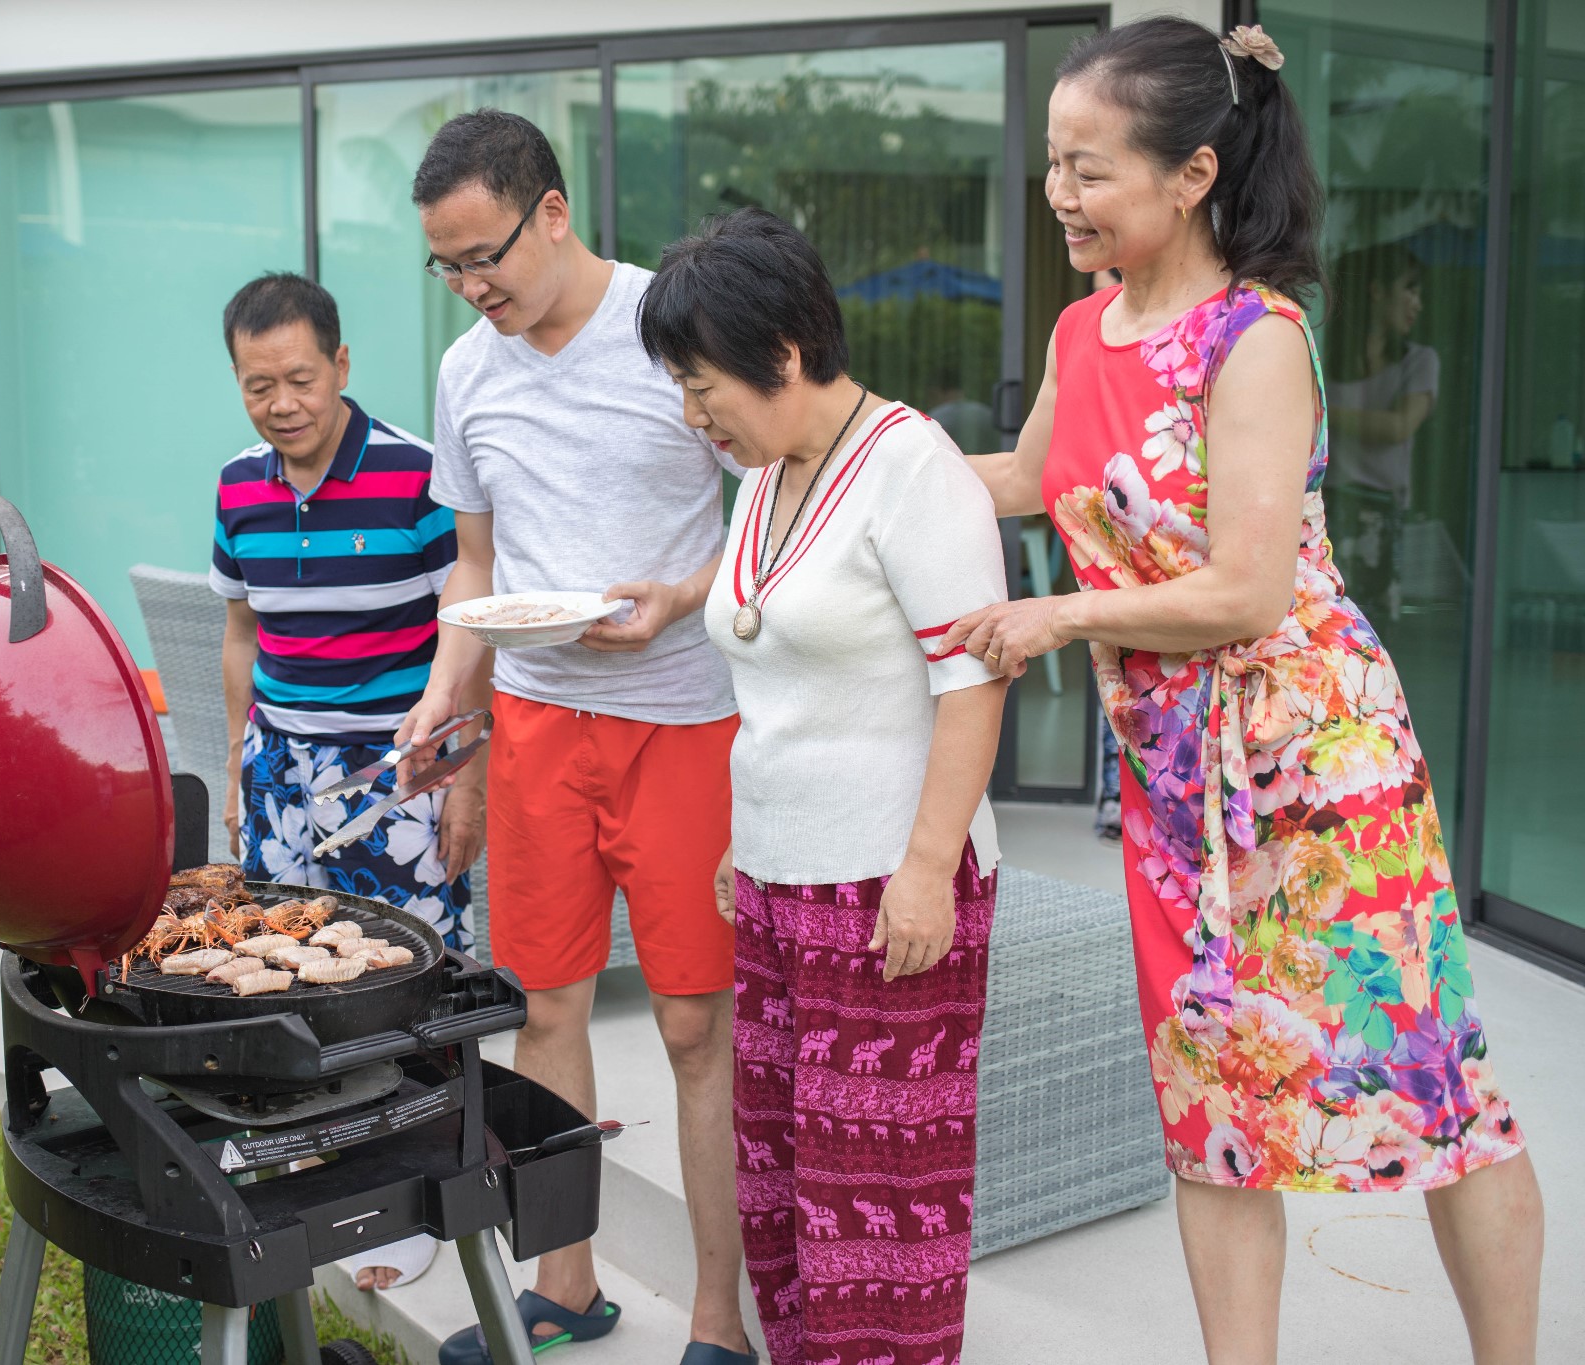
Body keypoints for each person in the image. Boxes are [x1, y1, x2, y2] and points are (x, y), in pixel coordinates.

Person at [954, 19, 1542, 1364]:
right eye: (1055, 164)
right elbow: (1021, 478)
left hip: (1318, 765)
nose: (1060, 195)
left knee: (1433, 1084)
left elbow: (1247, 592)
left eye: (1088, 168)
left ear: (1193, 174)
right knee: (1209, 1103)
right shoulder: (1082, 329)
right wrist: (841, 457)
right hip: (1178, 783)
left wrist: (1060, 612)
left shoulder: (1258, 338)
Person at [393, 110, 755, 1365]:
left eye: (483, 255)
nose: (471, 286)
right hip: (538, 724)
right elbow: (476, 564)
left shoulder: (675, 329)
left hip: (682, 723)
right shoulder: (466, 370)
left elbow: (775, 505)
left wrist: (680, 598)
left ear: (552, 211)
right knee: (543, 1007)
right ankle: (562, 1282)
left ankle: (720, 1316)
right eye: (445, 266)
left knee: (694, 1024)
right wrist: (451, 694)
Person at [639, 207, 1009, 1365]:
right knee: (782, 1173)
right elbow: (776, 679)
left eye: (705, 388)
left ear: (785, 356)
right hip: (776, 878)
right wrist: (744, 838)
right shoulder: (764, 475)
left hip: (887, 886)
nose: (693, 416)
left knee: (878, 1204)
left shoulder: (910, 467)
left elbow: (972, 682)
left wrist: (924, 871)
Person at [212, 271, 485, 1292]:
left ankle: (406, 1202)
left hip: (396, 769)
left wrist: (466, 779)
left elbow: (467, 636)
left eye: (296, 378)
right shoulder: (237, 483)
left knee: (405, 991)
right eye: (254, 385)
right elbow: (242, 630)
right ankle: (304, 1173)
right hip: (280, 767)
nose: (280, 403)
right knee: (285, 979)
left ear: (339, 365)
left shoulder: (418, 477)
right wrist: (238, 763)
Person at [1323, 241, 1439, 620]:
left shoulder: (1420, 361)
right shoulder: (1322, 355)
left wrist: (1319, 410)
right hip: (1323, 509)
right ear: (1376, 291)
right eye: (1410, 288)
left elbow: (1398, 426)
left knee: (1376, 630)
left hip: (1381, 514)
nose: (1418, 304)